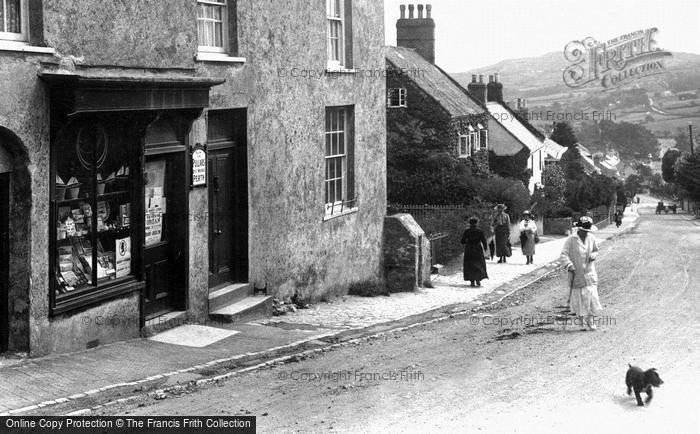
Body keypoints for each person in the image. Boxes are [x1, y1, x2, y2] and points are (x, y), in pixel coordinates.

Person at [560, 216, 602, 331]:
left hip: (589, 272)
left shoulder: (591, 238)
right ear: (579, 229)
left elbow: (595, 249)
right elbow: (563, 254)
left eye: (587, 231)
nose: (585, 233)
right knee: (579, 298)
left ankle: (591, 320)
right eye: (583, 231)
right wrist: (569, 265)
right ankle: (582, 320)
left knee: (591, 297)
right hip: (576, 272)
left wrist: (594, 255)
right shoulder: (571, 239)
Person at [460, 217, 489, 287]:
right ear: (477, 223)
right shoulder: (479, 231)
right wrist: (485, 248)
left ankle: (472, 281)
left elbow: (462, 241)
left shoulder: (467, 231)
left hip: (469, 249)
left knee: (470, 264)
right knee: (479, 263)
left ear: (469, 223)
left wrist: (468, 241)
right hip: (477, 249)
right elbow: (484, 240)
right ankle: (478, 279)